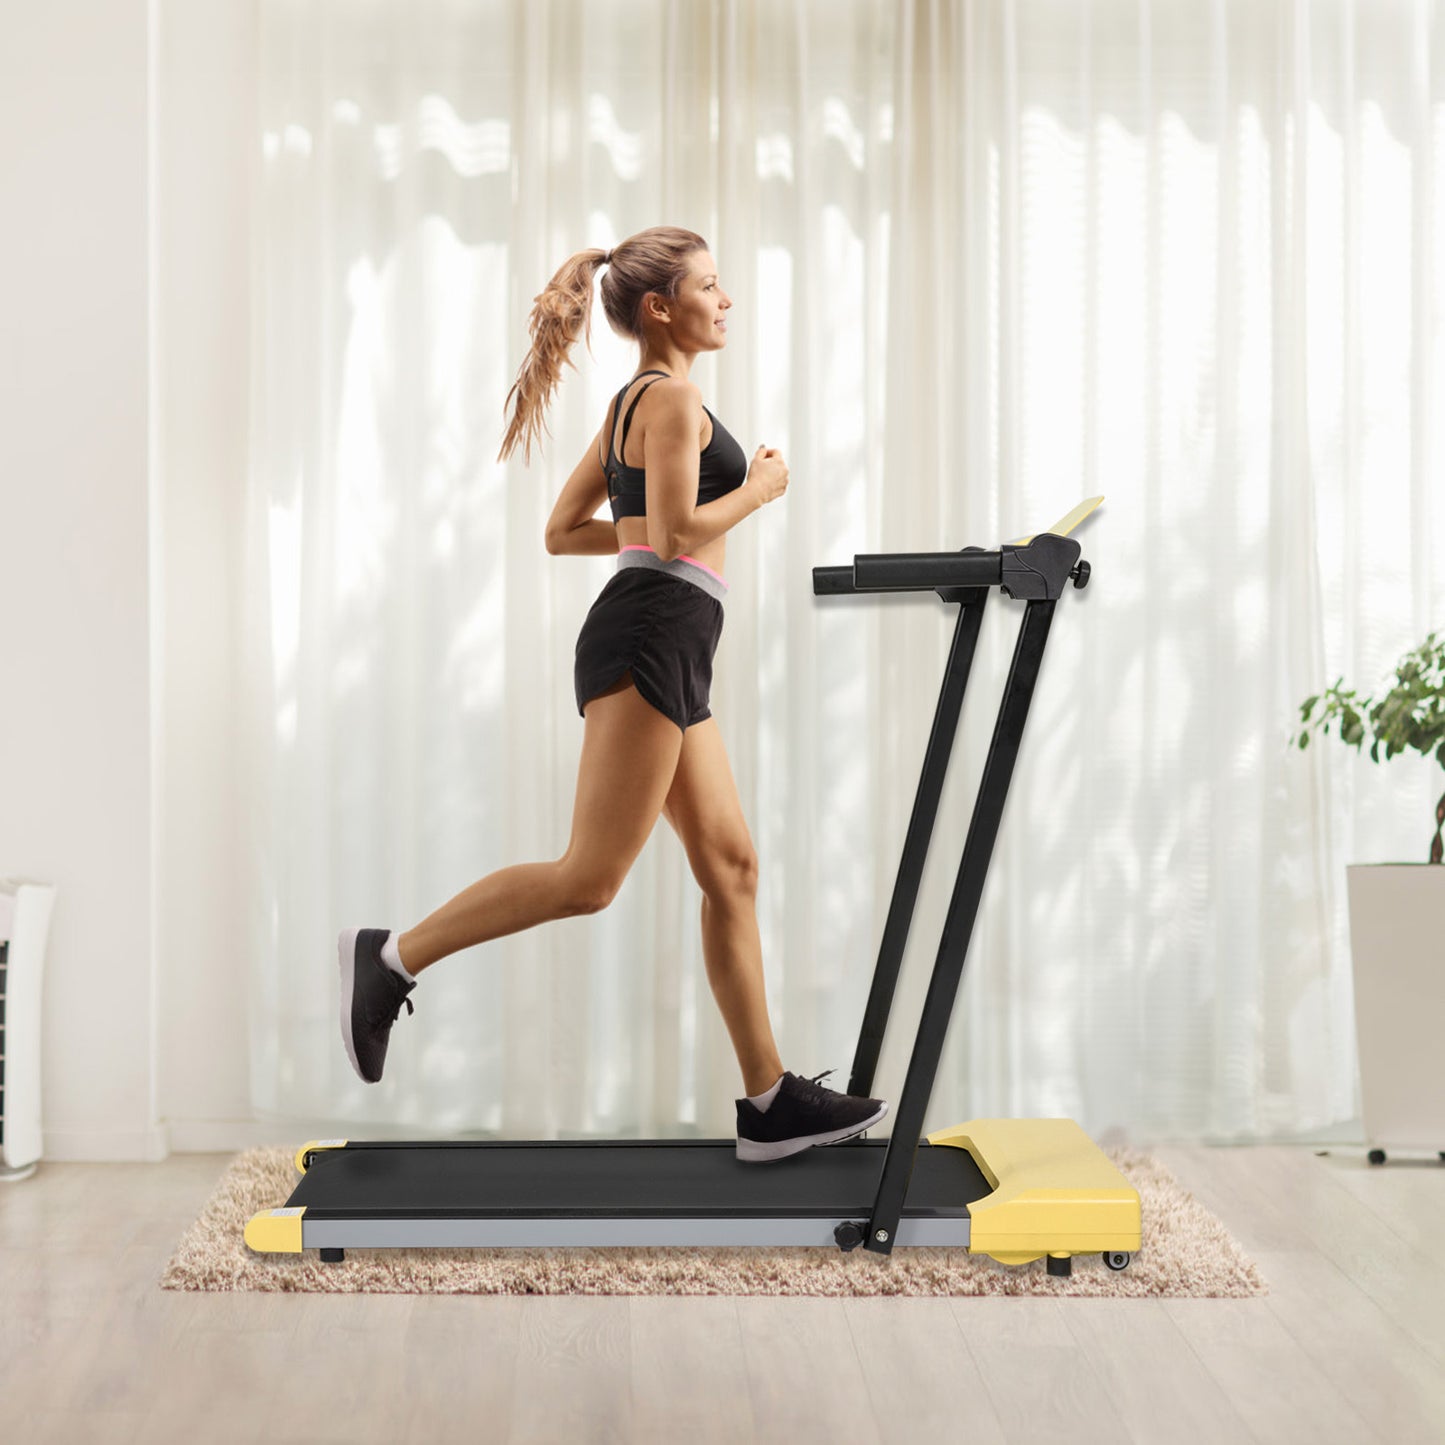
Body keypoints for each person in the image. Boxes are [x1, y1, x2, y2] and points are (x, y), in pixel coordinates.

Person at [338, 225, 887, 1162]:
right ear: (660, 308)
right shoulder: (671, 399)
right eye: (711, 287)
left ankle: (767, 1103)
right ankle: (390, 959)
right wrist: (757, 490)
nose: (726, 301)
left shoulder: (630, 402)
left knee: (731, 868)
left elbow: (566, 531)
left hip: (664, 637)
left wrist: (652, 532)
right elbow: (674, 537)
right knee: (589, 878)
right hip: (650, 636)